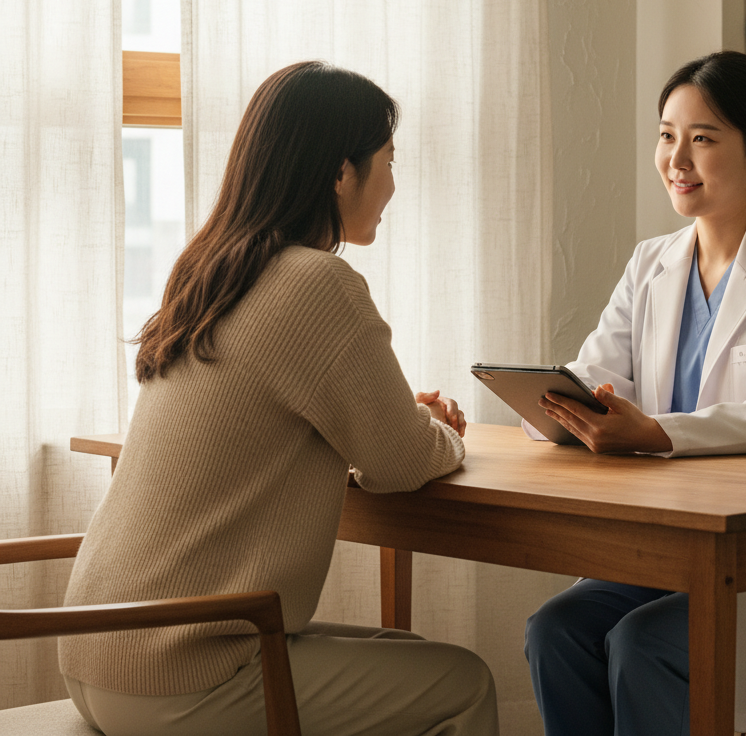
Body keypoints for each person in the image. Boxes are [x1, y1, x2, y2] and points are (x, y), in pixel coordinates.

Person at [59, 62, 499, 736]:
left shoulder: (214, 267)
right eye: (387, 160)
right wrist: (438, 429)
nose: (392, 183)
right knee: (462, 685)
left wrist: (390, 415)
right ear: (339, 173)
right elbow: (402, 463)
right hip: (179, 677)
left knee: (411, 661)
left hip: (101, 654)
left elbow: (276, 407)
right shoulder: (317, 283)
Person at [524, 51, 746, 736]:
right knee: (556, 629)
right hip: (673, 542)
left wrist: (657, 434)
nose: (676, 158)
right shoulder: (650, 262)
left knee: (644, 643)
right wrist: (553, 407)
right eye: (666, 135)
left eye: (703, 138)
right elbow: (600, 374)